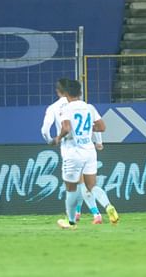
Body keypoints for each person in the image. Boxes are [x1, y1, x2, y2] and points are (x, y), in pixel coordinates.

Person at [53, 80, 119, 229]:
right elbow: (102, 127)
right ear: (80, 93)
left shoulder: (66, 108)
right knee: (92, 186)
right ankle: (108, 206)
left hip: (74, 152)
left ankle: (70, 222)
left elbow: (66, 127)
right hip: (89, 151)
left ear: (66, 94)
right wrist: (87, 129)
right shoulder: (89, 107)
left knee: (71, 188)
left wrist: (58, 137)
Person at [41, 78, 104, 224]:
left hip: (70, 150)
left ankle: (92, 215)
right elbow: (94, 123)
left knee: (74, 185)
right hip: (87, 148)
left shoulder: (55, 108)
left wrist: (51, 140)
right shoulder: (84, 106)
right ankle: (80, 213)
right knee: (84, 183)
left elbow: (45, 129)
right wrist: (99, 141)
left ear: (58, 91)